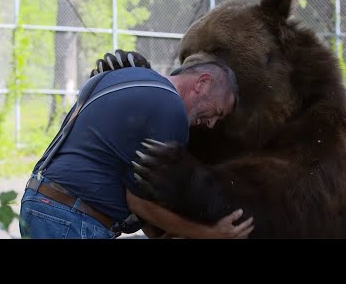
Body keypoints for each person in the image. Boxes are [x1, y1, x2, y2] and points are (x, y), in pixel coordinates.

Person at [19, 60, 254, 239]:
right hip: (70, 218)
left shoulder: (120, 78)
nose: (211, 123)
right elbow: (140, 203)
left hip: (40, 202)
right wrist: (210, 234)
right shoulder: (170, 109)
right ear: (202, 83)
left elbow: (126, 181)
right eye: (217, 112)